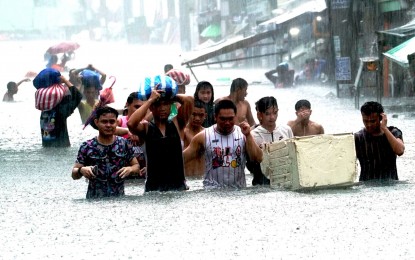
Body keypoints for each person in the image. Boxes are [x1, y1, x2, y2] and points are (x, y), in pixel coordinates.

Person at [183, 99, 263, 189]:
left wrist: (248, 135)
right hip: (212, 192)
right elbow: (181, 160)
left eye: (230, 118)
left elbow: (258, 159)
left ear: (235, 117)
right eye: (223, 119)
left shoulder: (244, 134)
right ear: (215, 117)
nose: (227, 123)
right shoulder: (203, 136)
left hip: (239, 192)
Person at [127, 85, 193, 192]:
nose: (162, 108)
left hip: (179, 188)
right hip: (154, 190)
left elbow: (189, 100)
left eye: (166, 104)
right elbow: (131, 123)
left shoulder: (177, 124)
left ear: (171, 106)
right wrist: (150, 100)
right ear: (151, 108)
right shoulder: (146, 128)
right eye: (157, 105)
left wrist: (170, 94)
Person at [72, 106, 140, 199]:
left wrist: (130, 169)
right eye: (104, 122)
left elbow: (136, 167)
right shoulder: (87, 146)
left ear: (116, 123)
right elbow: (74, 174)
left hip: (119, 201)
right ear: (96, 122)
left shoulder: (124, 144)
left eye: (112, 122)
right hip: (93, 201)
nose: (108, 125)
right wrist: (81, 170)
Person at [355, 101, 405, 181]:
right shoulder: (359, 138)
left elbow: (400, 151)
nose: (369, 125)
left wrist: (384, 128)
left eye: (373, 121)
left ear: (381, 118)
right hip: (367, 186)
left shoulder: (393, 132)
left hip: (391, 184)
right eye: (365, 121)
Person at [250, 96, 294, 185]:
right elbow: (251, 161)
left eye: (275, 113)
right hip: (261, 182)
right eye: (267, 114)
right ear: (259, 115)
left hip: (285, 179)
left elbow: (293, 155)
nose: (272, 117)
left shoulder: (286, 130)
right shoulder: (253, 135)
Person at [40, 75, 83, 147]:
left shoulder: (44, 112)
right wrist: (66, 81)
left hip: (47, 149)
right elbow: (77, 96)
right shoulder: (62, 111)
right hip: (61, 148)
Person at [117, 92, 152, 177]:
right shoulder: (121, 121)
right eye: (136, 107)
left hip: (144, 174)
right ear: (127, 105)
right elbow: (106, 128)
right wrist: (126, 131)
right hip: (123, 173)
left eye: (143, 107)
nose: (140, 110)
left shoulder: (148, 124)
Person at [183, 100, 206, 177]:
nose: (197, 118)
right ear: (188, 113)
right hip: (187, 179)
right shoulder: (182, 133)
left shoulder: (208, 134)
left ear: (205, 116)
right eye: (194, 114)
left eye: (201, 115)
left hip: (203, 180)